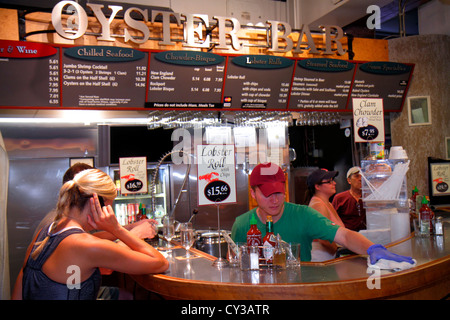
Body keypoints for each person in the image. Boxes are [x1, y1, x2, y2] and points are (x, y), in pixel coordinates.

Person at [12, 168, 169, 300]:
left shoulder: (48, 231)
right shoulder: (85, 245)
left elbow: (19, 290)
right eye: (108, 206)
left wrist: (122, 229)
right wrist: (116, 229)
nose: (110, 211)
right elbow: (160, 263)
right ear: (97, 203)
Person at [231, 162, 414, 264]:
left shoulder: (303, 215)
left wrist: (373, 248)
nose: (275, 200)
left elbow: (344, 236)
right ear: (253, 194)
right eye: (267, 194)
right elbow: (233, 263)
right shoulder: (242, 224)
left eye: (278, 192)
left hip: (301, 290)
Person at [305, 169, 345, 261]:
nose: (334, 183)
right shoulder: (318, 205)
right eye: (329, 182)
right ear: (317, 186)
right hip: (322, 260)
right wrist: (338, 251)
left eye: (333, 180)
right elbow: (323, 238)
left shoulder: (328, 204)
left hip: (329, 258)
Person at [332, 166, 367, 232]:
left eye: (363, 176)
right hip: (347, 236)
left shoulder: (369, 197)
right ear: (349, 180)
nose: (360, 179)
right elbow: (333, 219)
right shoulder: (340, 198)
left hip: (367, 235)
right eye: (356, 176)